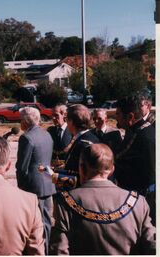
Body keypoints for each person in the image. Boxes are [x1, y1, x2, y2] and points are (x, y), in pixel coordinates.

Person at [50, 144, 156, 255]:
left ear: (81, 168)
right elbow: (152, 245)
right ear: (112, 170)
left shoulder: (65, 201)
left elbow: (58, 251)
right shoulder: (137, 203)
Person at [15, 107, 55, 254]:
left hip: (33, 187)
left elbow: (22, 167)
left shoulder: (26, 138)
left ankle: (43, 251)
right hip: (47, 183)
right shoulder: (47, 135)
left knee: (38, 223)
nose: (20, 122)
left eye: (21, 119)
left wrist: (20, 189)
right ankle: (48, 249)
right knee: (47, 221)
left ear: (26, 121)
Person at [114, 96, 155, 224]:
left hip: (143, 201)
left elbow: (119, 158)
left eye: (118, 114)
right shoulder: (139, 130)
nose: (116, 117)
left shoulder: (141, 135)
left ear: (130, 117)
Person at [63, 104, 99, 173]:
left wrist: (53, 176)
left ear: (71, 122)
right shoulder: (91, 137)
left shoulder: (83, 144)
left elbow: (81, 174)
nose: (66, 123)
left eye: (66, 119)